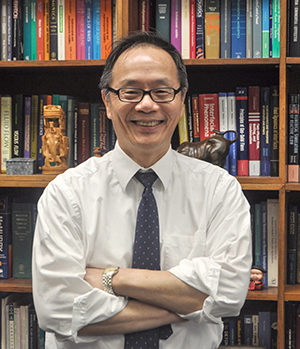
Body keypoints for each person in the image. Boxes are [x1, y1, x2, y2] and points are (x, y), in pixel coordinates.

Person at [32, 32, 252, 349]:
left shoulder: (220, 190)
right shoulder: (66, 193)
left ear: (181, 99)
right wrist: (191, 303)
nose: (147, 105)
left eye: (162, 92)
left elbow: (230, 294)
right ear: (107, 101)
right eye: (130, 92)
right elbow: (58, 311)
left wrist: (110, 278)